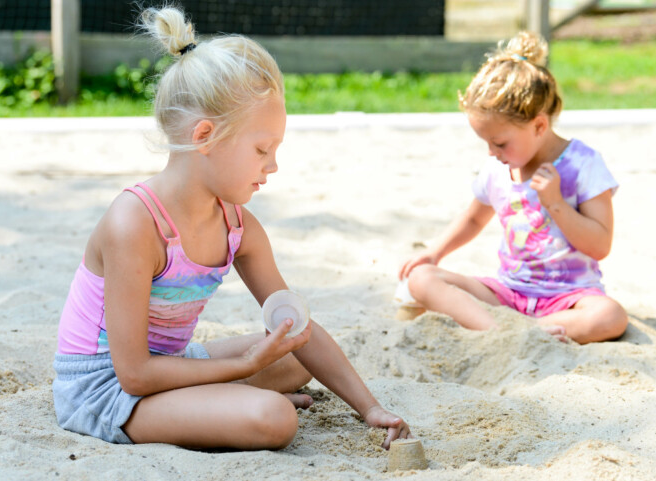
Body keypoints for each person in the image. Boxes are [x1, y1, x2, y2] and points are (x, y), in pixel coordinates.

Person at [52, 5, 411, 450]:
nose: (273, 165)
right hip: (106, 388)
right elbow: (134, 373)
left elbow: (299, 329)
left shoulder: (240, 228)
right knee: (274, 418)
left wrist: (369, 408)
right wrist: (243, 367)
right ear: (205, 136)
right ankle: (223, 403)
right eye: (262, 149)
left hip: (169, 365)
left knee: (295, 356)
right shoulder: (134, 224)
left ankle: (215, 404)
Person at [398, 32, 628, 345]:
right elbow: (474, 219)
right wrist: (435, 251)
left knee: (610, 317)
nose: (492, 153)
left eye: (500, 143)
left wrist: (556, 203)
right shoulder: (498, 169)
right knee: (422, 279)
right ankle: (501, 332)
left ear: (539, 126)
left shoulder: (583, 164)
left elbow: (600, 245)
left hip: (569, 297)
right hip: (509, 292)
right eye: (486, 143)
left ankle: (522, 330)